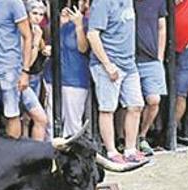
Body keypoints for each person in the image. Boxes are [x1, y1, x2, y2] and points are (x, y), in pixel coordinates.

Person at [87, 0, 148, 166]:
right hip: (108, 64)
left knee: (136, 105)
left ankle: (130, 150)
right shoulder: (102, 3)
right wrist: (107, 64)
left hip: (128, 63)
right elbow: (92, 35)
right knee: (107, 109)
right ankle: (112, 152)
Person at [0, 0, 34, 138]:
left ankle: (13, 156)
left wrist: (25, 71)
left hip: (9, 66)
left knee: (12, 114)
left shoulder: (13, 3)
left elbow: (28, 36)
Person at [44, 0, 90, 139]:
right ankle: (51, 155)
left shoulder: (88, 22)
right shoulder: (62, 20)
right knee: (51, 122)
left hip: (75, 78)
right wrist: (58, 23)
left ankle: (72, 157)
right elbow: (48, 41)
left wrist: (78, 25)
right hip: (53, 77)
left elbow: (84, 48)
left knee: (73, 124)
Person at [134, 0, 167, 155]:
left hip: (151, 59)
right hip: (129, 58)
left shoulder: (158, 2)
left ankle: (141, 136)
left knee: (154, 100)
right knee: (127, 103)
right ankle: (123, 139)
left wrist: (159, 56)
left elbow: (162, 27)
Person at [21, 1, 49, 141]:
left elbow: (42, 49)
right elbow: (28, 62)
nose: (38, 17)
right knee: (26, 116)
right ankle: (26, 144)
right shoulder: (24, 31)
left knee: (29, 116)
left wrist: (44, 49)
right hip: (25, 76)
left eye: (41, 14)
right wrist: (37, 41)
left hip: (36, 75)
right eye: (35, 13)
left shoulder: (37, 29)